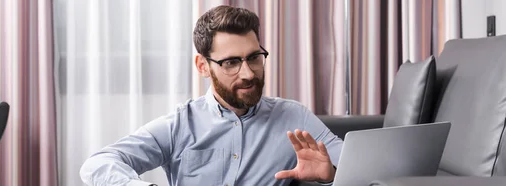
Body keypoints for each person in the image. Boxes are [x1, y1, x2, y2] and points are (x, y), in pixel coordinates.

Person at [80, 5, 343, 186]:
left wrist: (330, 174)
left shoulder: (293, 117)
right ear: (203, 66)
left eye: (254, 58)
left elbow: (362, 167)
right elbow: (98, 164)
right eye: (230, 63)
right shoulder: (180, 124)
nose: (248, 73)